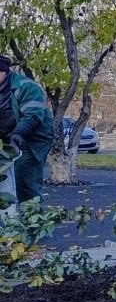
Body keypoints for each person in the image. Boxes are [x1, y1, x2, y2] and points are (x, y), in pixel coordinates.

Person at [0, 56, 55, 203]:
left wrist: (18, 134)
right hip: (7, 139)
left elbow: (33, 115)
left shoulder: (26, 86)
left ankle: (34, 223)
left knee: (25, 184)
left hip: (33, 139)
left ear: (2, 71)